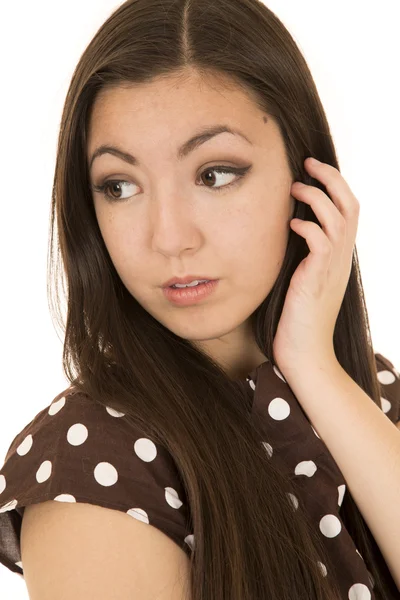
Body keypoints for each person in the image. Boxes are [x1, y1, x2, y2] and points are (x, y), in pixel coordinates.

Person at [1, 0, 399, 598]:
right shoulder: (89, 463)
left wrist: (313, 365)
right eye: (120, 185)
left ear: (308, 178)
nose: (169, 238)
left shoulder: (372, 394)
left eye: (214, 174)